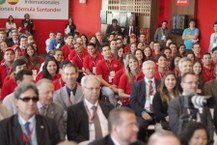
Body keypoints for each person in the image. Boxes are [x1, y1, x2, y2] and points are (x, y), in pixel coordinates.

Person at [0, 81, 61, 145]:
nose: (31, 103)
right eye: (26, 99)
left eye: (34, 99)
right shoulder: (4, 127)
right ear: (16, 102)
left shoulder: (49, 125)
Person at [168, 72, 214, 143]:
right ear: (182, 84)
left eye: (196, 83)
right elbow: (175, 127)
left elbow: (209, 124)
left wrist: (209, 141)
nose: (194, 85)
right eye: (190, 83)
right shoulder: (175, 103)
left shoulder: (202, 100)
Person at [67, 75, 114, 143]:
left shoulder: (109, 107)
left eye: (97, 88)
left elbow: (115, 128)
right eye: (91, 88)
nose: (95, 91)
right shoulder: (74, 110)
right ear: (83, 89)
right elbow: (72, 135)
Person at [130, 60, 160, 142]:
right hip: (142, 113)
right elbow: (133, 101)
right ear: (143, 71)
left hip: (158, 113)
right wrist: (142, 112)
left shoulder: (161, 83)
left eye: (153, 68)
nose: (151, 70)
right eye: (148, 68)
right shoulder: (137, 85)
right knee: (139, 127)